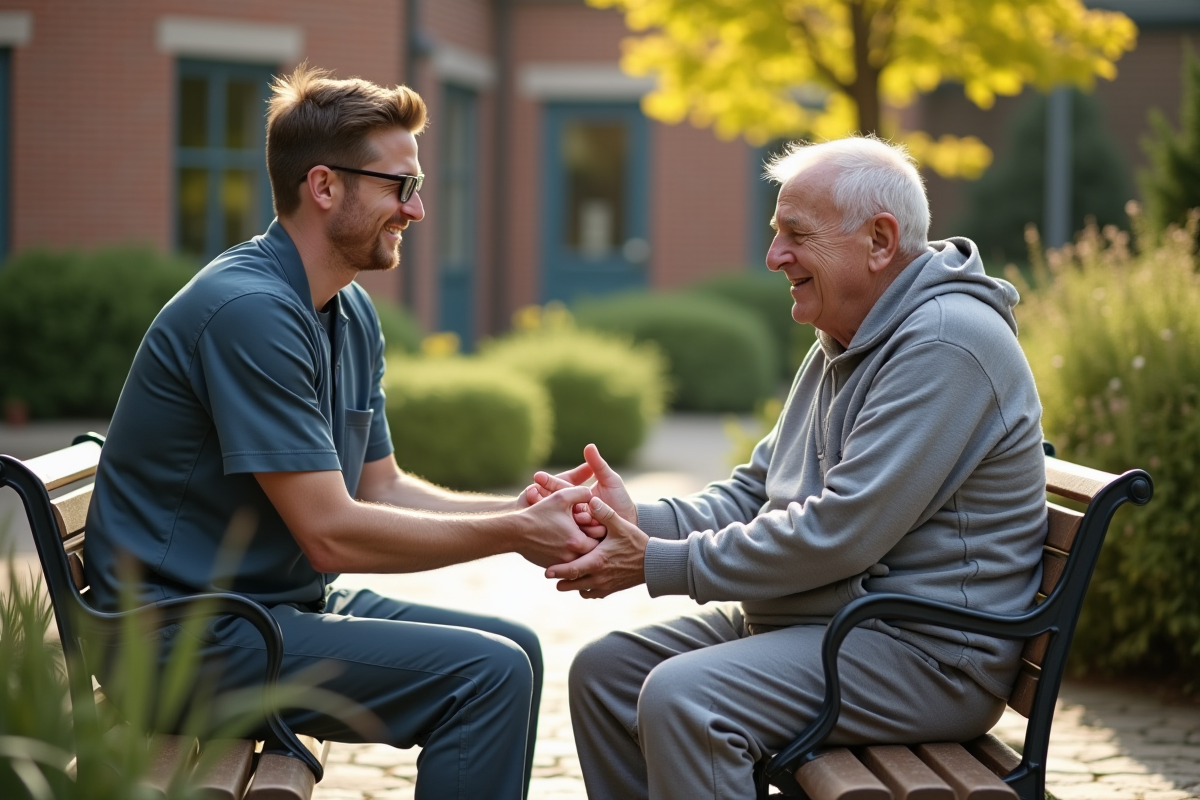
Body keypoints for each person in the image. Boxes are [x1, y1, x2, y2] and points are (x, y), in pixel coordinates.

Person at [83, 64, 596, 800]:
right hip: (182, 638)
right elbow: (332, 535)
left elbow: (379, 487)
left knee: (515, 647)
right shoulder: (249, 312)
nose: (416, 212)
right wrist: (515, 536)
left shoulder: (345, 312)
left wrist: (520, 510)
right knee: (487, 676)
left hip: (265, 610)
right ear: (324, 187)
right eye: (401, 187)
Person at [531, 136, 1048, 800]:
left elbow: (842, 530)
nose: (774, 257)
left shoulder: (946, 344)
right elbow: (757, 490)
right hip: (834, 626)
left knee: (686, 698)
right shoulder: (848, 335)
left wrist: (659, 561)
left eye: (795, 236)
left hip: (924, 656)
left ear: (880, 241)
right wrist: (630, 521)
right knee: (607, 674)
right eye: (776, 234)